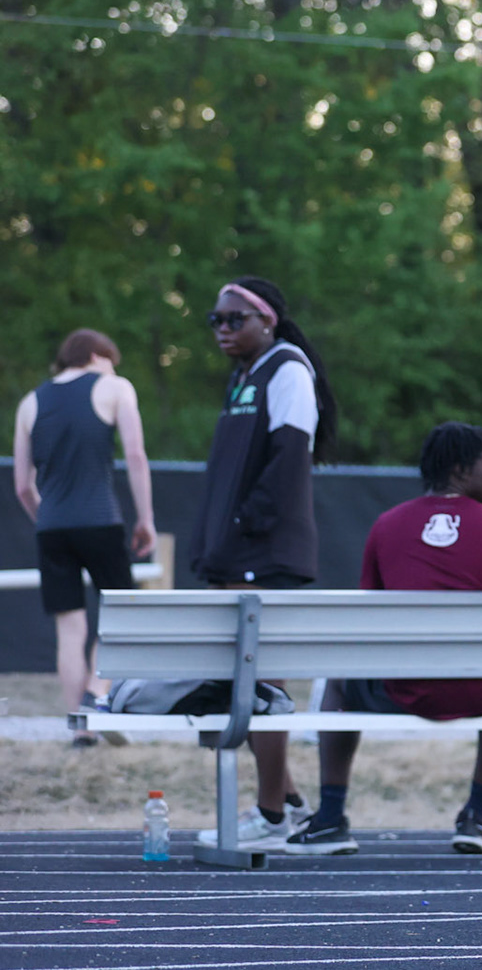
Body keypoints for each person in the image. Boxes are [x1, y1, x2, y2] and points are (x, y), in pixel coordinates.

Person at [284, 422, 482, 856]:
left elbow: (369, 615)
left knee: (338, 684)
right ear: (460, 470)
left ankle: (330, 817)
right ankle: (476, 815)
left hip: (401, 691)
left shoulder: (386, 524)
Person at [185, 277, 337, 851]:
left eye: (235, 319)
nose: (223, 329)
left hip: (264, 552)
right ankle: (290, 803)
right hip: (235, 550)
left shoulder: (287, 369)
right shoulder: (244, 375)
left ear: (267, 320)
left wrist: (245, 524)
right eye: (216, 320)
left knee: (260, 689)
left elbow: (287, 464)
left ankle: (271, 814)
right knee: (246, 686)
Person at [12, 329, 157, 747]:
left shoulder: (30, 402)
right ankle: (97, 696)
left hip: (52, 528)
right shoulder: (115, 388)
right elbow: (135, 456)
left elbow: (23, 485)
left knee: (69, 630)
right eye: (112, 360)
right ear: (97, 356)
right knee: (121, 616)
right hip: (100, 522)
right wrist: (144, 519)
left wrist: (47, 519)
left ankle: (79, 726)